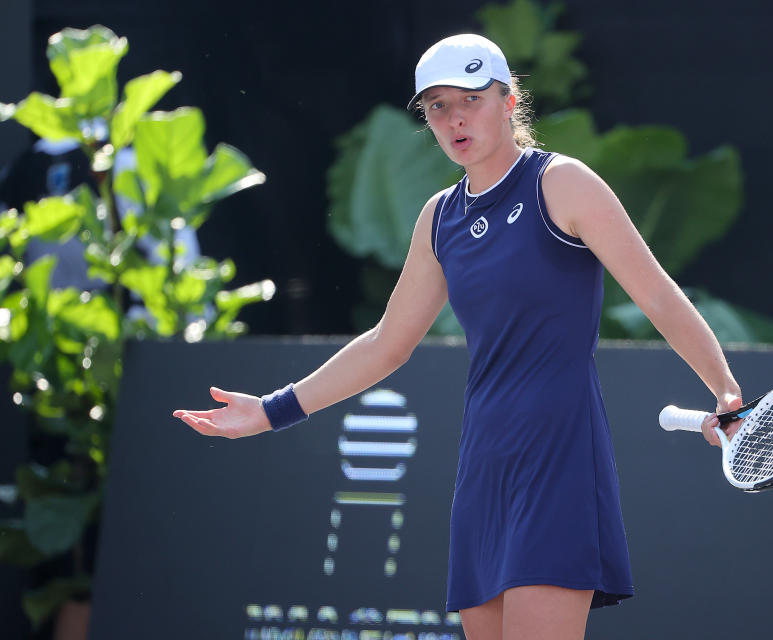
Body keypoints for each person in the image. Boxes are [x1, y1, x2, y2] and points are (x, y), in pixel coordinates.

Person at [173, 34, 743, 640]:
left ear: (508, 99)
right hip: (483, 467)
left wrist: (725, 390)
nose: (454, 118)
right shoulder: (439, 218)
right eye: (438, 106)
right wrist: (271, 410)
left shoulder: (563, 183)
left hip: (559, 457)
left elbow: (655, 294)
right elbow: (386, 344)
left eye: (469, 99)